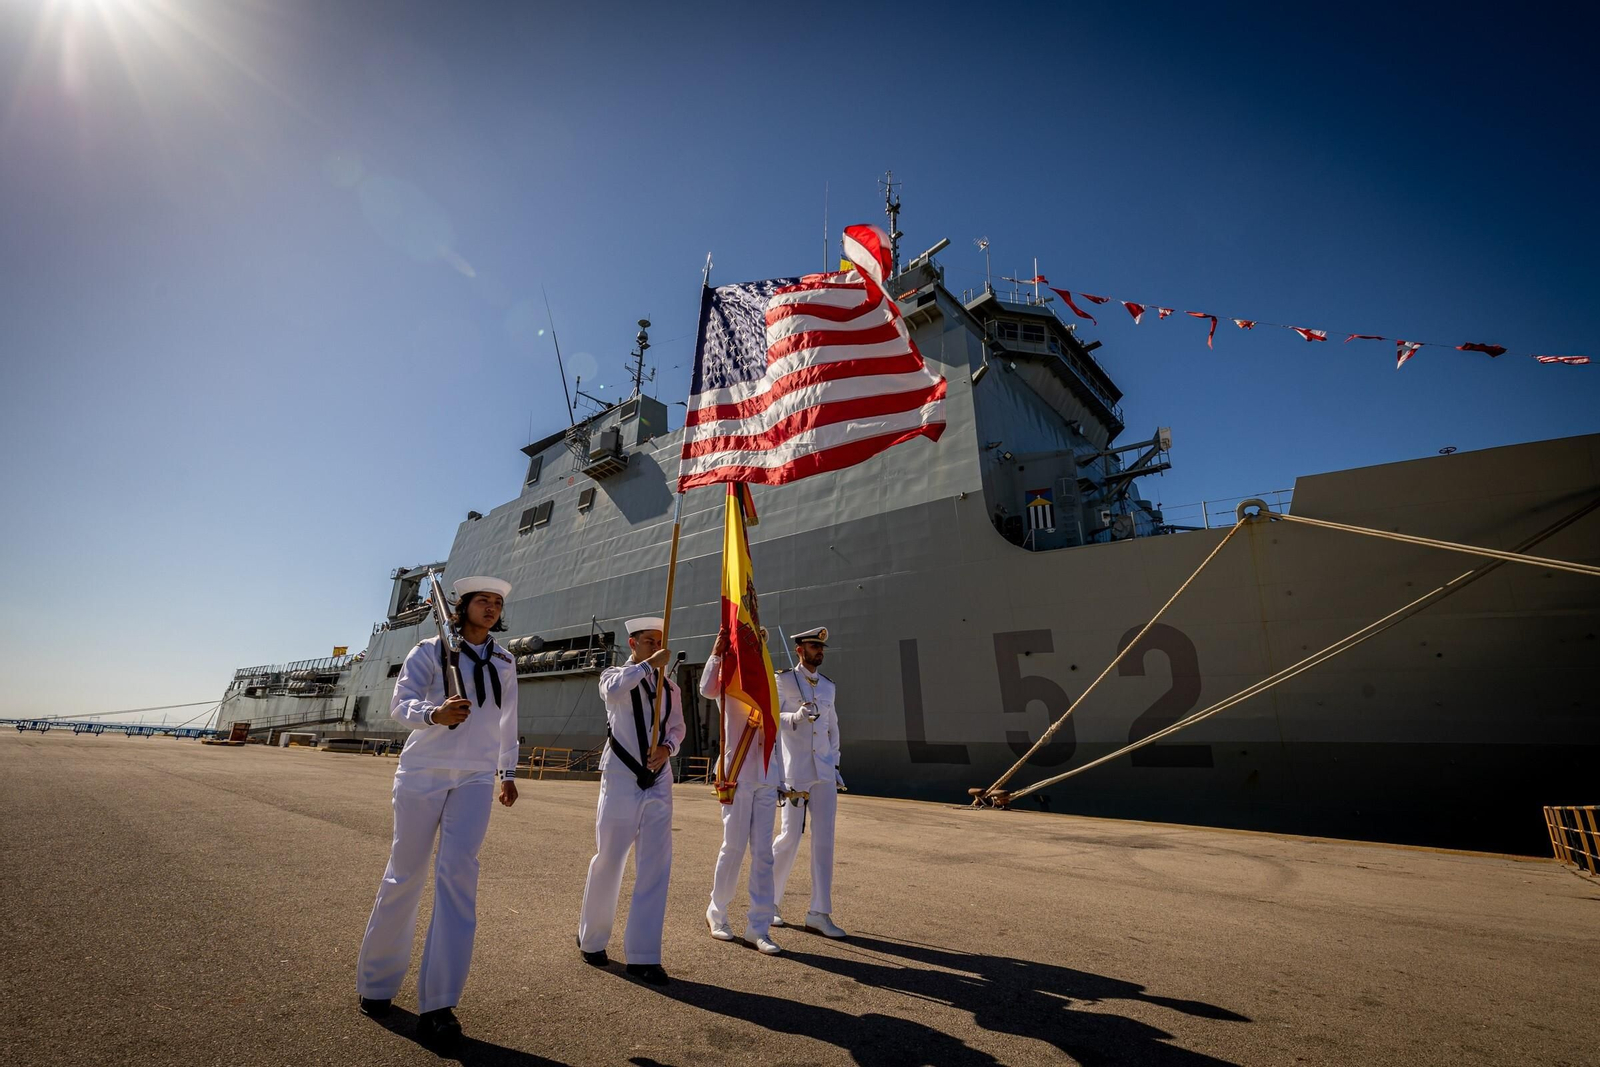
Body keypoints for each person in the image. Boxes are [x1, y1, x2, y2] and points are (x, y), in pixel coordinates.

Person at [356, 576, 520, 1049]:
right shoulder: (430, 651)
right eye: (482, 601)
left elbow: (509, 719)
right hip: (423, 771)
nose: (490, 608)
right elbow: (400, 704)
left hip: (473, 776)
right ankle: (377, 982)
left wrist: (506, 773)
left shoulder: (505, 661)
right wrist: (434, 713)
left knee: (459, 879)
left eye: (497, 603)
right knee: (404, 874)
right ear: (462, 605)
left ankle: (440, 1003)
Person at [576, 616, 686, 985]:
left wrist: (668, 748)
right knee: (609, 858)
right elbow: (613, 694)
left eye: (660, 642)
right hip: (622, 777)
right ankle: (592, 938)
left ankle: (644, 954)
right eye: (649, 641)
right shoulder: (614, 675)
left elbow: (678, 727)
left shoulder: (671, 689)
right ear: (633, 642)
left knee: (656, 864)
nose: (657, 647)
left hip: (658, 780)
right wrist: (644, 667)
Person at [699, 628, 782, 955]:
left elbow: (777, 735)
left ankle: (758, 927)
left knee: (763, 852)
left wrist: (782, 778)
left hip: (765, 774)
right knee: (732, 847)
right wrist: (716, 653)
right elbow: (706, 690)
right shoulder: (730, 679)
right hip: (736, 773)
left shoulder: (769, 684)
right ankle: (716, 911)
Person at [770, 625, 847, 938]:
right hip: (796, 770)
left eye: (822, 648)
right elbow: (773, 720)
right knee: (790, 836)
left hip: (824, 772)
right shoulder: (784, 680)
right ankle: (769, 901)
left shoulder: (828, 686)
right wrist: (797, 717)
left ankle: (819, 912)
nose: (820, 652)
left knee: (824, 841)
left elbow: (833, 727)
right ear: (800, 649)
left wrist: (836, 762)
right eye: (815, 647)